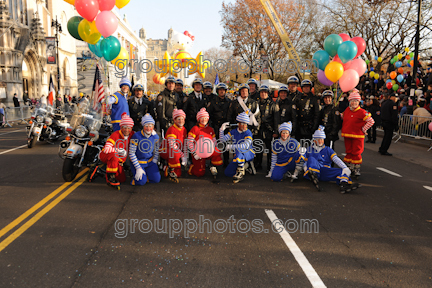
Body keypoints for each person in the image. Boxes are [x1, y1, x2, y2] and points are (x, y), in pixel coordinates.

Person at [303, 126, 360, 193]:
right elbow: (304, 162)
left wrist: (345, 167)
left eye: (322, 139)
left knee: (342, 171)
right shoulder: (309, 149)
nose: (320, 141)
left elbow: (336, 159)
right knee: (311, 159)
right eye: (318, 139)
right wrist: (305, 169)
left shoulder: (328, 150)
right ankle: (314, 174)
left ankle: (344, 184)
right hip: (313, 171)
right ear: (314, 140)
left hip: (326, 171)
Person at [95, 113, 135, 189]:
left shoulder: (132, 134)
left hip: (118, 159)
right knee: (114, 155)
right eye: (125, 127)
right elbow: (107, 148)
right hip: (106, 155)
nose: (127, 130)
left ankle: (98, 172)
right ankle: (111, 178)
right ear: (121, 127)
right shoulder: (115, 134)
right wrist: (118, 150)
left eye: (129, 128)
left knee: (122, 179)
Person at [341, 90, 375, 177]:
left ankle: (356, 168)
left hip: (358, 136)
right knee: (348, 151)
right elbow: (342, 117)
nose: (354, 103)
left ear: (358, 102)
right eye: (352, 101)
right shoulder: (347, 110)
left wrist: (364, 129)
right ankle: (349, 166)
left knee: (356, 152)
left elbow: (371, 121)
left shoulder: (362, 112)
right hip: (347, 134)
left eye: (356, 101)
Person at [219, 112, 256, 183]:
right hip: (238, 155)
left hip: (248, 153)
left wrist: (231, 146)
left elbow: (245, 146)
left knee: (239, 148)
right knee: (228, 173)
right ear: (239, 124)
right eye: (243, 124)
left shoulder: (248, 132)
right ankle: (246, 166)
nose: (245, 126)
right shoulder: (233, 131)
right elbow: (222, 140)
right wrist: (221, 130)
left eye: (246, 124)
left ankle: (240, 172)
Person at [187, 108, 222, 177]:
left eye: (205, 118)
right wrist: (194, 153)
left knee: (217, 151)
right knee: (199, 173)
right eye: (202, 118)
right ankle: (192, 167)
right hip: (198, 153)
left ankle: (213, 166)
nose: (204, 120)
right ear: (199, 119)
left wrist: (216, 149)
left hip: (208, 151)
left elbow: (214, 141)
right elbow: (189, 142)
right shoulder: (195, 128)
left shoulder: (210, 129)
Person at [129, 114, 161, 186]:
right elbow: (131, 153)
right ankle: (136, 177)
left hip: (149, 162)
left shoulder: (155, 136)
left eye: (150, 126)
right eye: (146, 126)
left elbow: (157, 149)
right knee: (141, 182)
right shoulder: (136, 136)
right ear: (143, 126)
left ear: (153, 127)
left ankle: (146, 174)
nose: (148, 128)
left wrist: (155, 160)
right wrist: (138, 168)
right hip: (138, 162)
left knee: (156, 179)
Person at [159, 109, 188, 183]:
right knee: (175, 154)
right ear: (174, 120)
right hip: (166, 150)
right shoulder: (172, 129)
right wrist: (181, 155)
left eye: (182, 119)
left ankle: (168, 166)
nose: (180, 121)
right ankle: (170, 169)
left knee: (178, 173)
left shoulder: (184, 129)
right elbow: (172, 145)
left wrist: (185, 156)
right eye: (178, 119)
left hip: (176, 152)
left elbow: (184, 144)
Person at [255, 84, 278, 173]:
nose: (263, 94)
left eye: (265, 92)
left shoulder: (273, 104)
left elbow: (276, 119)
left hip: (269, 129)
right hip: (259, 129)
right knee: (258, 148)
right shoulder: (256, 102)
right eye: (262, 92)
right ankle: (258, 164)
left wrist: (275, 131)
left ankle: (270, 166)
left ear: (268, 93)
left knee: (269, 150)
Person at [207, 83, 231, 167]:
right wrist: (211, 126)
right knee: (215, 145)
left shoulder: (229, 101)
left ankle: (226, 161)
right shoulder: (213, 102)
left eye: (223, 90)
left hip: (225, 127)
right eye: (220, 90)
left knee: (226, 145)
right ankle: (214, 162)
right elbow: (208, 115)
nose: (222, 91)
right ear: (217, 91)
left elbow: (230, 113)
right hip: (215, 126)